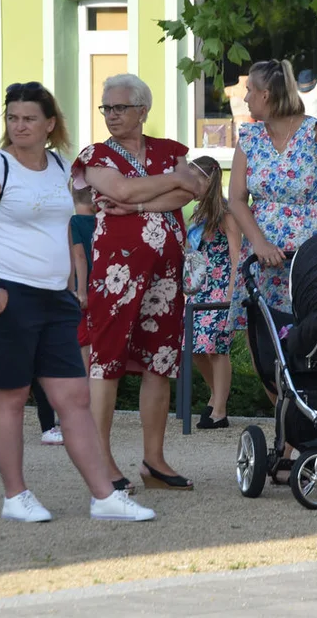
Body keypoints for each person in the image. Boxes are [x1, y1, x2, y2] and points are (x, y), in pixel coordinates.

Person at [0, 80, 153, 521]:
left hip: (54, 298)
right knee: (11, 396)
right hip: (6, 292)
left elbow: (67, 227)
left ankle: (104, 496)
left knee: (75, 399)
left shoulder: (63, 166)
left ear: (49, 124)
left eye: (28, 119)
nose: (19, 126)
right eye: (12, 118)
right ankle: (15, 497)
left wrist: (74, 283)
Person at [72, 73, 203, 493]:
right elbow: (120, 190)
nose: (111, 115)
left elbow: (196, 188)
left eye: (120, 107)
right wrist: (168, 184)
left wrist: (139, 202)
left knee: (159, 363)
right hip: (116, 272)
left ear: (143, 111)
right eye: (106, 108)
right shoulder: (95, 155)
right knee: (105, 361)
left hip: (166, 273)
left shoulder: (170, 150)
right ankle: (102, 462)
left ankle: (154, 461)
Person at [227, 59, 317, 333]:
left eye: (249, 90)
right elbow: (236, 198)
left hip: (313, 262)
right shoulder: (250, 138)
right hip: (264, 260)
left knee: (314, 336)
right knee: (264, 340)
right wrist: (259, 243)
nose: (245, 98)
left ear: (265, 94)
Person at [186, 156, 240, 429]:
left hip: (221, 289)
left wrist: (232, 293)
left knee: (217, 348)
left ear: (208, 180)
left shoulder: (226, 213)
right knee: (195, 348)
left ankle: (219, 409)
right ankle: (215, 396)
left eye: (194, 177)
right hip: (200, 288)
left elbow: (236, 254)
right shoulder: (198, 212)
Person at [68, 184, 96, 369]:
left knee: (83, 342)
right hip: (104, 286)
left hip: (83, 288)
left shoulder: (73, 223)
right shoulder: (102, 221)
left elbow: (79, 256)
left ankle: (86, 392)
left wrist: (81, 291)